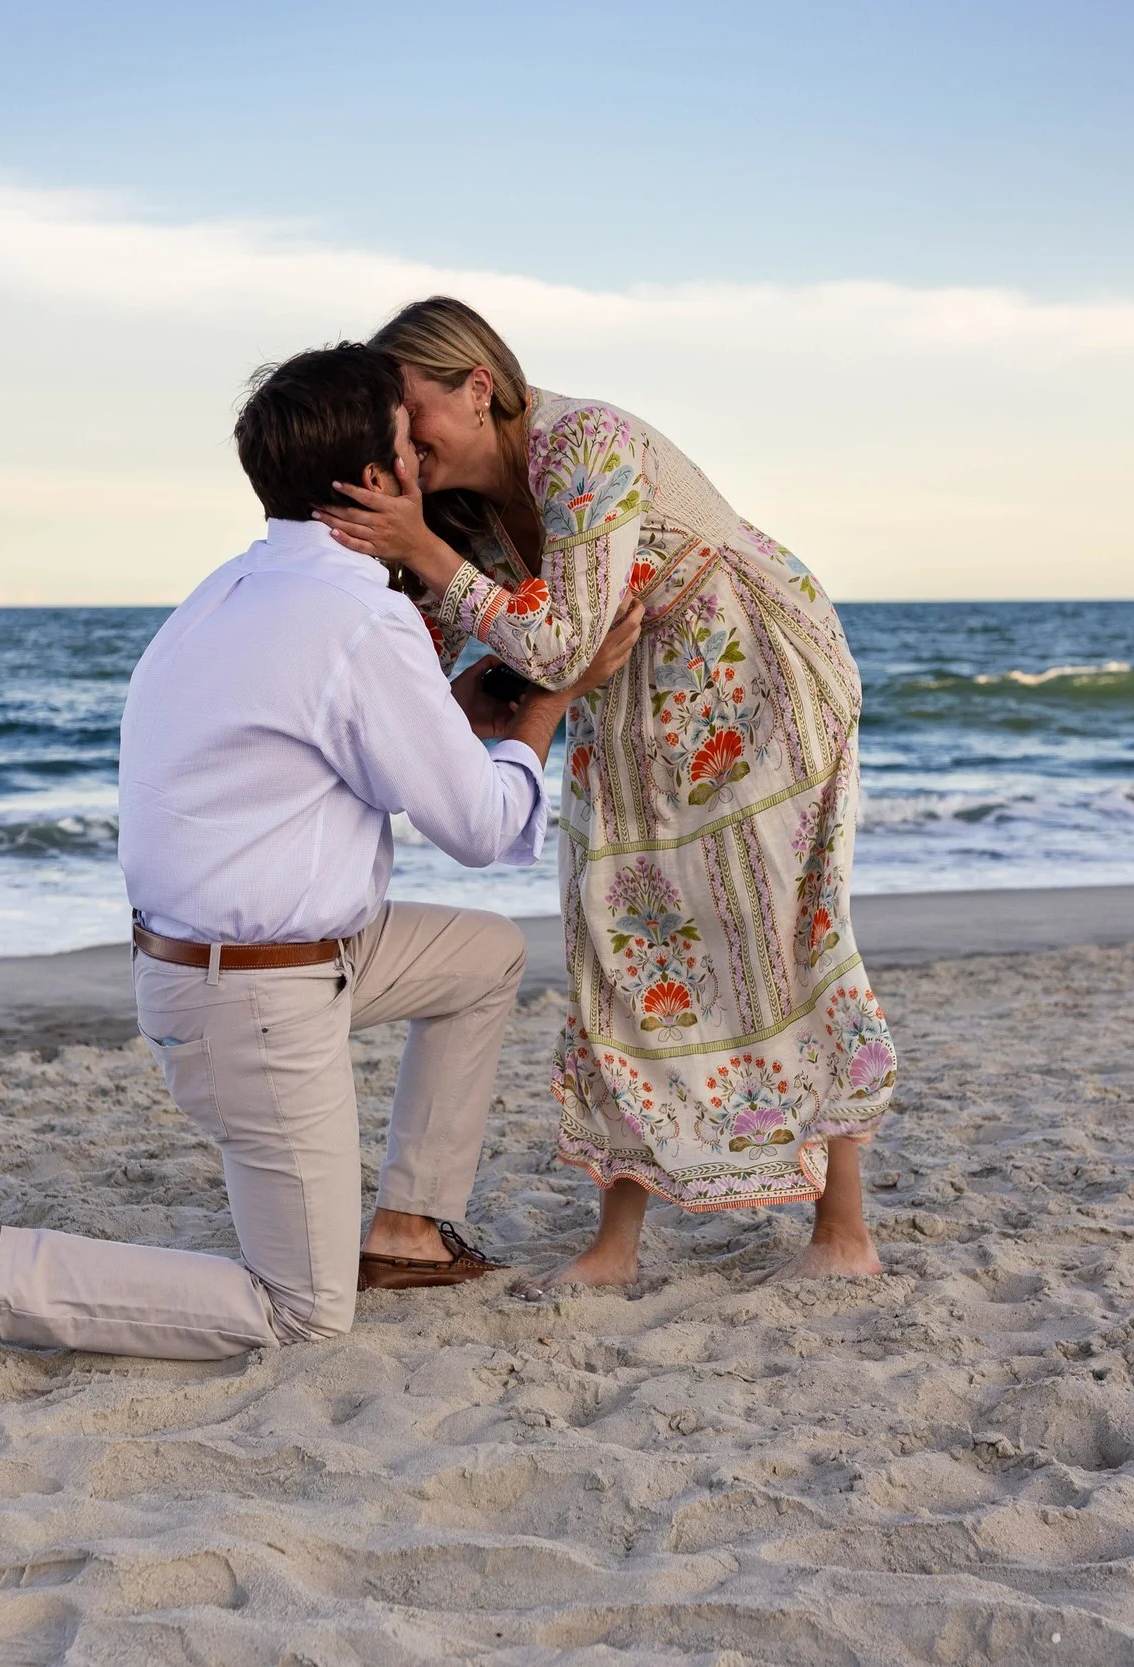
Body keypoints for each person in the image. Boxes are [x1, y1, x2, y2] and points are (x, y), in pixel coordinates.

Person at [0, 343, 642, 1377]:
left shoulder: (234, 586)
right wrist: (554, 694)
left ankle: (410, 1224)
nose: (426, 457)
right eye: (407, 443)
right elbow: (478, 829)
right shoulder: (360, 617)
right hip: (253, 997)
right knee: (300, 1310)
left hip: (239, 963)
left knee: (482, 958)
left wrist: (454, 709)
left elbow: (316, 742)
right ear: (377, 481)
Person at [318, 297, 896, 1292]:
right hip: (626, 698)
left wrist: (419, 550)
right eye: (389, 433)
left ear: (478, 384)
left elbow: (559, 642)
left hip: (752, 675)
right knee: (620, 940)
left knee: (785, 931)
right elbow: (417, 656)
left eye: (415, 419)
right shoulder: (449, 509)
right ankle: (613, 1246)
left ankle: (842, 1231)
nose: (403, 446)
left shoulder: (586, 444)